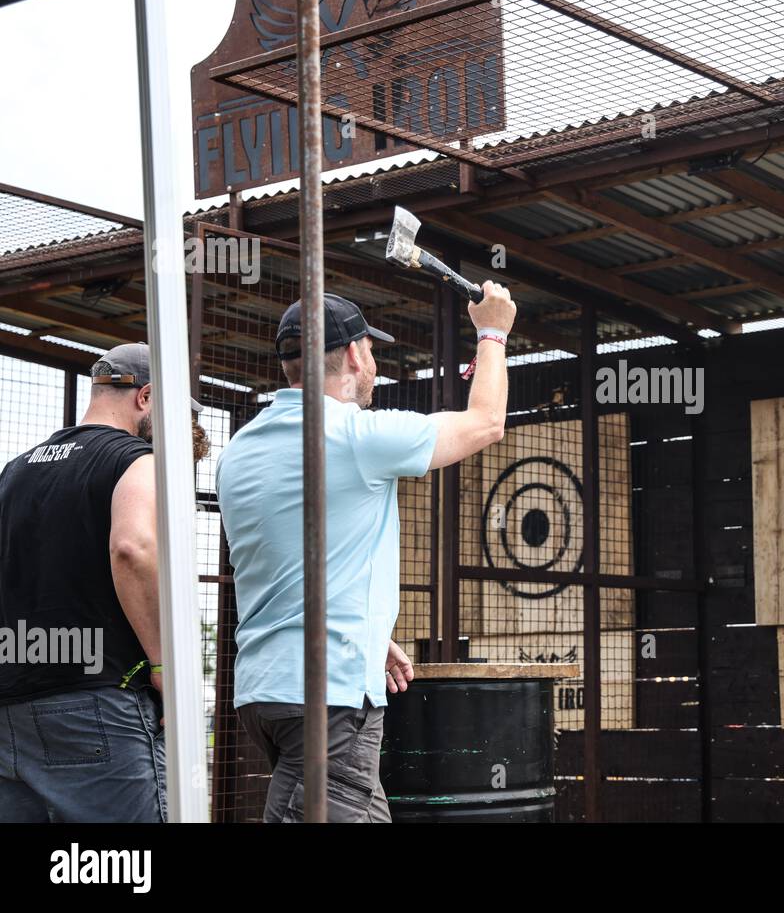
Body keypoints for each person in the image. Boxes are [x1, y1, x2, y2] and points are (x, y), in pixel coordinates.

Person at [217, 287, 514, 822]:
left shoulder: (239, 449)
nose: (375, 364)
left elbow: (291, 564)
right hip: (328, 697)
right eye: (371, 350)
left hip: (264, 693)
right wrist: (492, 332)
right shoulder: (354, 434)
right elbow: (486, 422)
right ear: (355, 354)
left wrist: (368, 635)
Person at [0, 342, 201, 822]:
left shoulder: (13, 472)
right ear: (146, 398)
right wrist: (164, 665)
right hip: (99, 703)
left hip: (10, 705)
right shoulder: (138, 459)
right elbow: (132, 548)